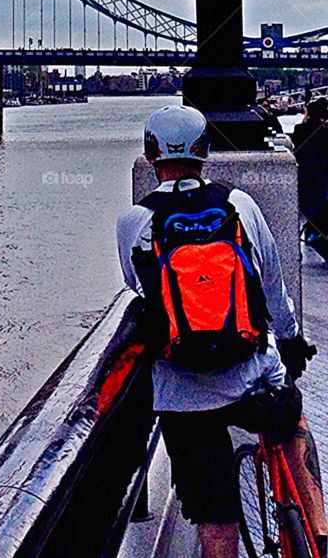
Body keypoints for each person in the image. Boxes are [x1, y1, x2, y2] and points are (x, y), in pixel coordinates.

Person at [117, 105, 327, 558]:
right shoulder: (240, 205)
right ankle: (317, 527)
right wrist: (289, 342)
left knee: (217, 519)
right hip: (251, 372)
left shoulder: (135, 221)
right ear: (204, 150)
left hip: (184, 393)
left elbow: (139, 289)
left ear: (150, 152)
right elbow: (272, 285)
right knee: (292, 417)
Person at [293, 96, 328, 260]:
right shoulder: (325, 131)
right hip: (322, 173)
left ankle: (312, 233)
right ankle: (317, 235)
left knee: (309, 207)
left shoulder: (299, 129)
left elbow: (297, 152)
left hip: (305, 173)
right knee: (321, 206)